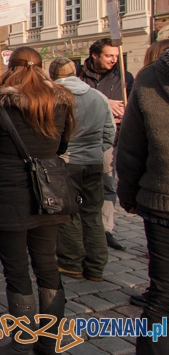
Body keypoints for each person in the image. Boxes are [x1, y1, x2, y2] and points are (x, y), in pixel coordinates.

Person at [0, 47, 75, 355]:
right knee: (47, 266)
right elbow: (62, 143)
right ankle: (49, 341)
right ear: (42, 68)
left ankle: (23, 342)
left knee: (16, 270)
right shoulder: (60, 101)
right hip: (50, 194)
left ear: (11, 68)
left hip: (8, 194)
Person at [117, 48, 169, 355]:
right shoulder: (149, 78)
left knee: (162, 297)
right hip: (161, 199)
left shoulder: (150, 76)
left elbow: (130, 148)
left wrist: (129, 194)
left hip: (161, 201)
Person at [49, 58, 115, 283]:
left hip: (67, 161)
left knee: (68, 212)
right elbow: (109, 132)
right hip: (93, 161)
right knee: (92, 213)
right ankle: (96, 266)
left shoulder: (55, 97)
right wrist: (97, 151)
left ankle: (71, 263)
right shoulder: (98, 96)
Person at [77, 38, 134, 251]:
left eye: (116, 56)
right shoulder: (78, 75)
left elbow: (130, 106)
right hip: (82, 137)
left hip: (110, 138)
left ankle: (106, 229)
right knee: (82, 183)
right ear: (95, 55)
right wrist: (105, 103)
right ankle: (83, 226)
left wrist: (123, 115)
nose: (114, 60)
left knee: (108, 184)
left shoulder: (124, 76)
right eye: (109, 55)